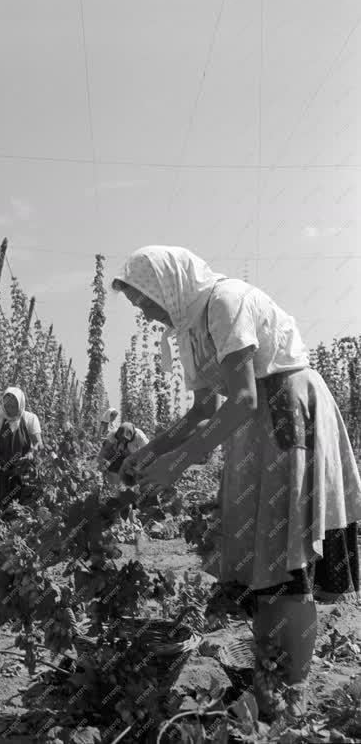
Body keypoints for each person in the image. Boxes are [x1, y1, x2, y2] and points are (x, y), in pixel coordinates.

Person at [112, 245, 361, 718]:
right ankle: (272, 675)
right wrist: (151, 452)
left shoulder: (224, 303)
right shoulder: (188, 330)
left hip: (286, 412)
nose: (143, 312)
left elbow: (245, 397)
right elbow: (204, 410)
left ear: (167, 282)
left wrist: (179, 464)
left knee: (286, 557)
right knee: (262, 557)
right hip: (252, 431)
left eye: (143, 299)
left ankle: (289, 690)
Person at [0, 386, 43, 512]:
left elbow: (38, 443)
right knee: (0, 508)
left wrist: (31, 453)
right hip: (2, 469)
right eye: (7, 406)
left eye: (13, 406)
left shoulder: (30, 419)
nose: (10, 410)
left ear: (21, 404)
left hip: (23, 468)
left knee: (25, 507)